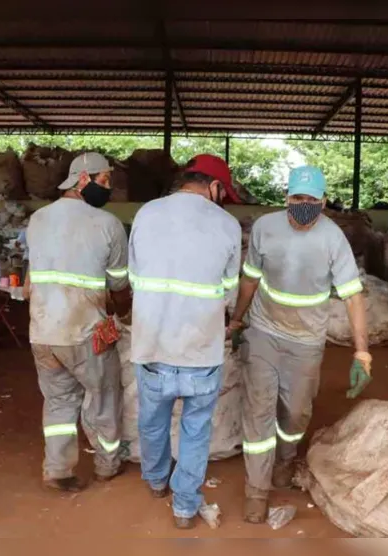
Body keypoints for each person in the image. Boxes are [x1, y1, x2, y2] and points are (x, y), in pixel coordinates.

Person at [227, 165, 372, 524]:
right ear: (286, 198)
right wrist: (237, 319)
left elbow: (353, 296)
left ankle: (286, 456)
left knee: (295, 412)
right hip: (263, 330)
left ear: (324, 202)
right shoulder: (265, 228)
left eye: (311, 200)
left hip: (307, 339)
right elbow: (250, 279)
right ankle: (256, 490)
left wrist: (362, 350)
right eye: (296, 198)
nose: (303, 205)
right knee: (258, 410)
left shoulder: (333, 238)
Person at [128, 154, 242, 530]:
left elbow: (133, 276)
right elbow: (228, 292)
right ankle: (184, 508)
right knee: (196, 429)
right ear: (213, 186)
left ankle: (158, 481)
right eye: (221, 191)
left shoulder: (146, 214)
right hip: (200, 348)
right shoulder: (227, 225)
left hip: (152, 343)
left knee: (153, 421)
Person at [25, 152, 132, 493]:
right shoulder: (107, 224)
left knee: (58, 401)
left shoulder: (38, 219)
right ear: (82, 179)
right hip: (85, 332)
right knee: (102, 397)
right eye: (105, 180)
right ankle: (106, 465)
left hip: (42, 333)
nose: (109, 187)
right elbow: (119, 284)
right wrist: (122, 315)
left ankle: (57, 469)